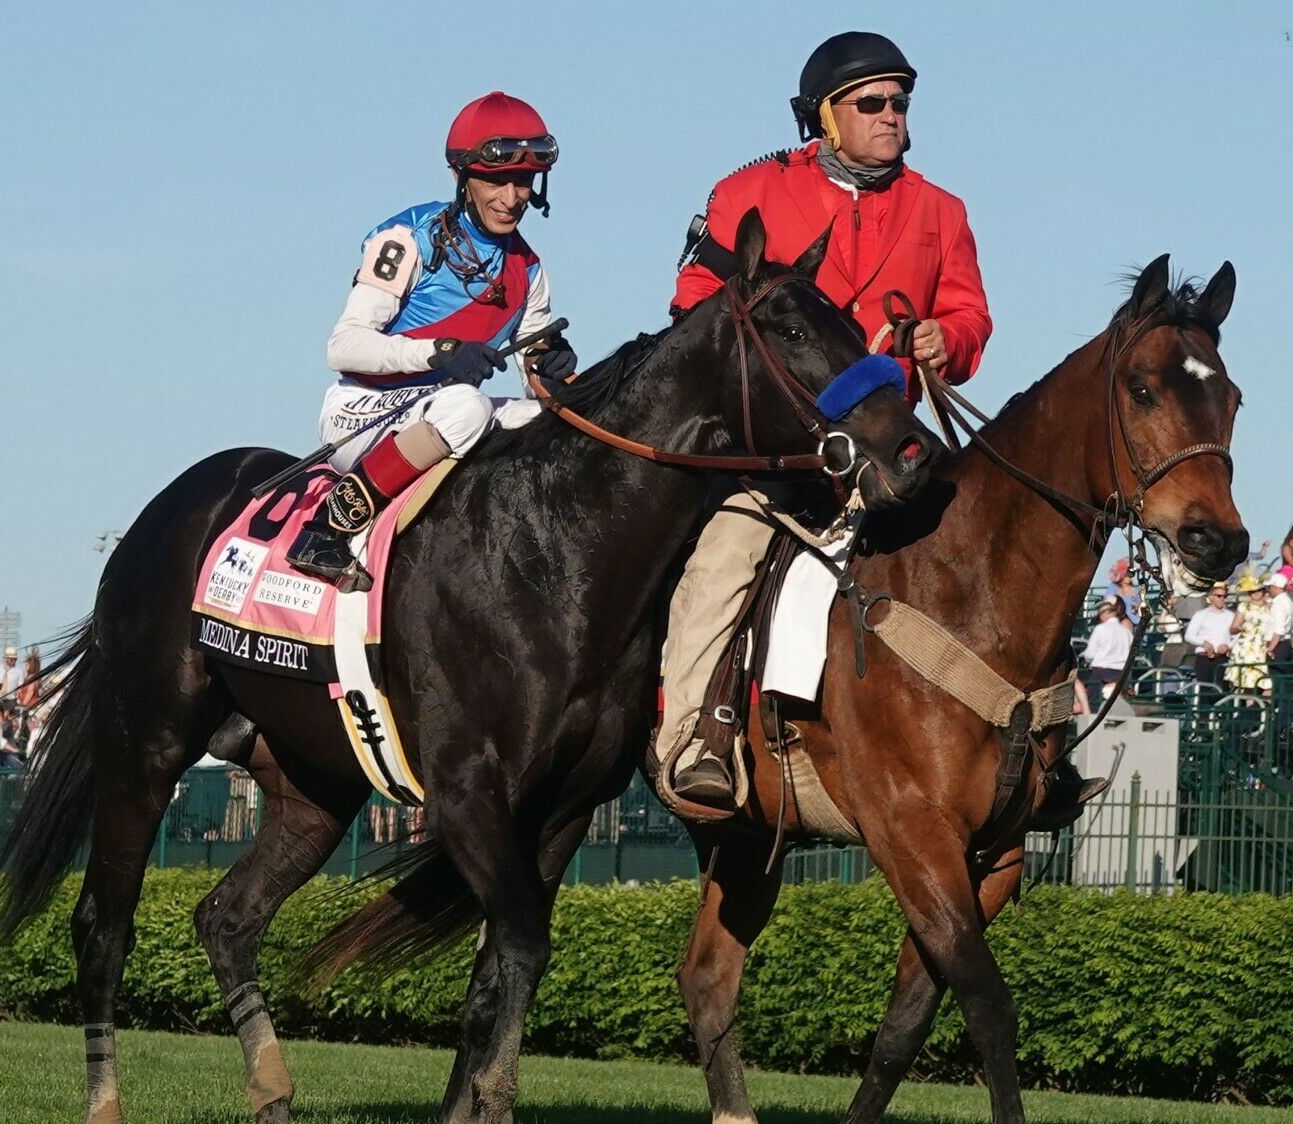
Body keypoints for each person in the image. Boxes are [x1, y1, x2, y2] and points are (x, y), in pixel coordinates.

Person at [659, 30, 995, 810]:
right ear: (822, 116)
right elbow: (691, 309)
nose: (891, 116)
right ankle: (693, 741)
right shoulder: (749, 192)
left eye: (900, 102)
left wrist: (953, 337)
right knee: (724, 560)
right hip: (781, 449)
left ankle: (1026, 743)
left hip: (891, 443)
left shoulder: (942, 210)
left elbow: (971, 312)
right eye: (871, 103)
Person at [286, 92, 576, 589]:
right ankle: (327, 530)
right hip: (362, 411)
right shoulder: (407, 238)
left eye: (523, 182)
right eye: (497, 180)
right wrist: (438, 351)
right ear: (463, 176)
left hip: (439, 412)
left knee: (553, 426)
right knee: (466, 406)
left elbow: (536, 374)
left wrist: (554, 370)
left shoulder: (529, 269)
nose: (512, 198)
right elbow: (343, 345)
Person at [1080, 598, 1132, 711]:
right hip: (1121, 674)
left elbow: (1089, 654)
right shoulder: (1126, 632)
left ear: (1103, 615)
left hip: (1100, 672)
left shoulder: (1100, 629)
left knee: (1093, 705)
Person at [1183, 585, 1235, 691]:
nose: (1222, 599)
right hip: (1204, 657)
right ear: (1211, 597)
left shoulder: (1231, 616)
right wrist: (1203, 643)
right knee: (1204, 690)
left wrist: (1228, 646)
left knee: (1221, 690)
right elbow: (1189, 635)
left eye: (1224, 596)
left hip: (1222, 658)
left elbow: (1236, 636)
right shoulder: (1200, 615)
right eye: (1219, 596)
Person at [1226, 574, 1270, 691]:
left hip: (1263, 647)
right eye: (1252, 591)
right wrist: (1240, 629)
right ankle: (1243, 708)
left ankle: (1262, 708)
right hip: (1246, 647)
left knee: (1265, 683)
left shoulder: (1271, 607)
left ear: (1263, 591)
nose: (1255, 593)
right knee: (1245, 683)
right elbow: (1233, 628)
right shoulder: (1244, 606)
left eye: (1258, 590)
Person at [1264, 571, 1293, 694]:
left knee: (1278, 680)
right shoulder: (1289, 602)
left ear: (1275, 587)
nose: (1269, 589)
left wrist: (1270, 648)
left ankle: (1280, 708)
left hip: (1278, 645)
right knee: (1285, 680)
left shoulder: (1279, 604)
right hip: (1286, 643)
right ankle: (1286, 708)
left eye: (1270, 587)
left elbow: (1279, 630)